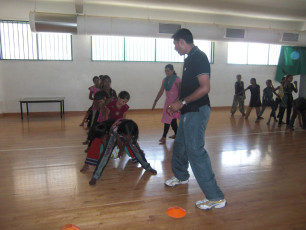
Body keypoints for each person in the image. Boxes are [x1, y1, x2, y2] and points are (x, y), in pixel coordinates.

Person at [164, 28, 226, 210]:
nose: (175, 48)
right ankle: (181, 176)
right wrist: (177, 102)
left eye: (175, 44)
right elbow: (190, 87)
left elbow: (205, 88)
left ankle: (215, 197)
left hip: (197, 111)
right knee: (180, 145)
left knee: (195, 152)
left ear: (182, 42)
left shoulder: (198, 57)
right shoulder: (189, 58)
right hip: (188, 111)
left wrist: (181, 101)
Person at [89, 119, 157, 185]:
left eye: (130, 137)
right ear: (123, 134)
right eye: (127, 137)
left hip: (125, 132)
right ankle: (95, 176)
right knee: (106, 153)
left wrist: (127, 141)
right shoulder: (115, 130)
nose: (128, 138)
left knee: (137, 151)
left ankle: (148, 167)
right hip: (114, 134)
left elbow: (128, 142)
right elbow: (119, 141)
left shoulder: (132, 130)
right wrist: (121, 150)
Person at [152, 64, 181, 144]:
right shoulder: (164, 80)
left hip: (174, 104)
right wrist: (155, 100)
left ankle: (164, 137)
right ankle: (177, 134)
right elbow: (161, 90)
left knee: (167, 120)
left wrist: (177, 103)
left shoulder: (177, 80)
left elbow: (180, 92)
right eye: (165, 71)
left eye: (168, 71)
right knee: (172, 120)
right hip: (167, 103)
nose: (166, 72)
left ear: (172, 70)